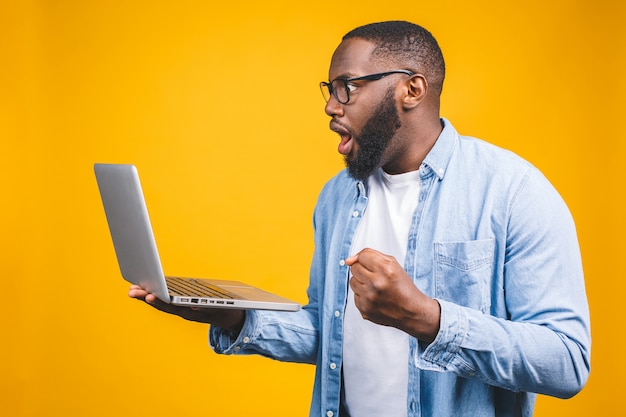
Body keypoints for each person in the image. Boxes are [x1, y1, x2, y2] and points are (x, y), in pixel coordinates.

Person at [129, 20, 591, 417]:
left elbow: (567, 361)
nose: (331, 106)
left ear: (411, 89)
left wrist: (426, 317)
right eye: (329, 90)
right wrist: (231, 318)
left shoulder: (513, 191)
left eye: (346, 86)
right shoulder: (337, 196)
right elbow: (331, 333)